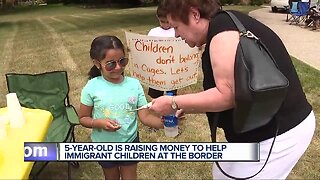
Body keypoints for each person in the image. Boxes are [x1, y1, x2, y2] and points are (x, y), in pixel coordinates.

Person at [149, 0, 316, 179]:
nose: (175, 35)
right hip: (255, 131)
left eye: (176, 26)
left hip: (278, 131)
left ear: (195, 15)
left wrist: (173, 102)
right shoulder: (224, 25)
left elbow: (227, 94)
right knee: (221, 174)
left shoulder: (222, 28)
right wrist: (187, 107)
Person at [79, 35, 163, 180]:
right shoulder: (92, 87)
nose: (118, 67)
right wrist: (98, 123)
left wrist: (165, 123)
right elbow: (83, 118)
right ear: (97, 63)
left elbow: (145, 116)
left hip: (130, 142)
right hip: (103, 146)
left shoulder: (134, 85)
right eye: (111, 64)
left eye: (122, 61)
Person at [147, 2, 177, 99]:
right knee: (155, 94)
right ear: (157, 18)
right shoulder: (153, 32)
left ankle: (170, 111)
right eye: (162, 21)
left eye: (168, 22)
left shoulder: (176, 32)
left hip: (172, 69)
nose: (165, 25)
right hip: (157, 70)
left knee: (171, 93)